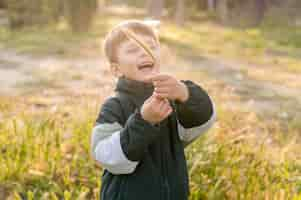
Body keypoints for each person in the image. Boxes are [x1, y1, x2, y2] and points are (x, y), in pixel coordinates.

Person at [90, 19, 217, 200]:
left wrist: (185, 93)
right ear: (116, 69)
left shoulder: (171, 99)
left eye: (151, 46)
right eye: (133, 49)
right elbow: (104, 155)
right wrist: (144, 121)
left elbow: (202, 123)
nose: (145, 52)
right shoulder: (115, 106)